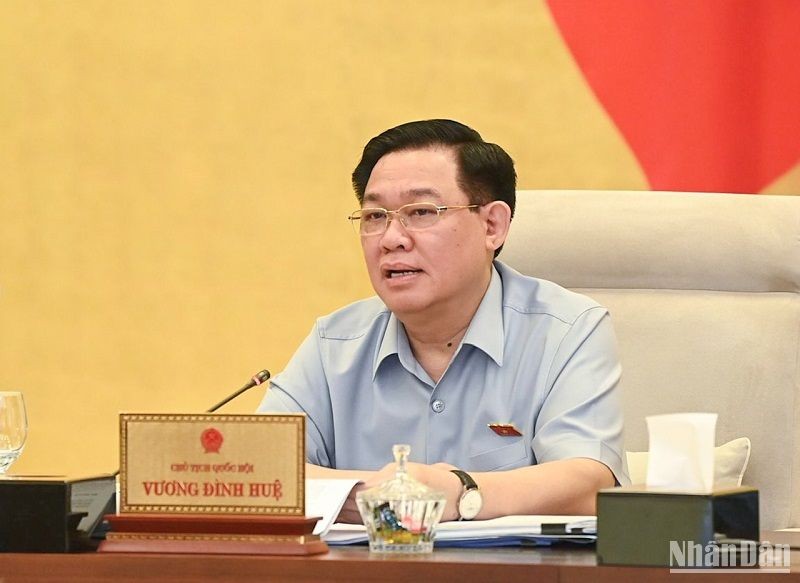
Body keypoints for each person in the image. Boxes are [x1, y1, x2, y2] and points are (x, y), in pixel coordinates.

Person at [258, 119, 626, 522]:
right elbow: (257, 469)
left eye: (421, 212)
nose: (391, 239)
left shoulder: (568, 331)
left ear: (492, 225)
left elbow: (590, 483)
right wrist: (391, 497)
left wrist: (460, 492)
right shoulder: (334, 344)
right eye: (375, 216)